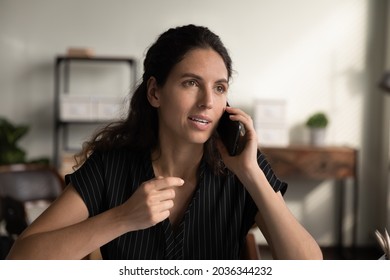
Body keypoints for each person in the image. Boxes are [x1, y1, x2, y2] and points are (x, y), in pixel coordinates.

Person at [7, 24, 323, 260]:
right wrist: (121, 218)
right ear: (155, 92)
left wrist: (253, 176)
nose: (207, 102)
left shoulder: (245, 167)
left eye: (219, 88)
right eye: (191, 83)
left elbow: (310, 269)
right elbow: (20, 260)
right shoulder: (110, 165)